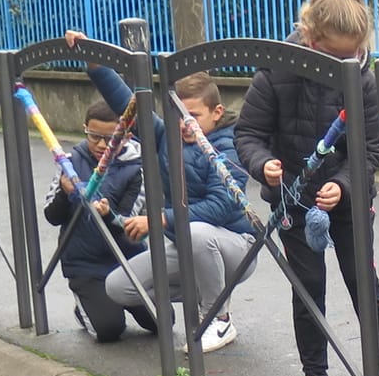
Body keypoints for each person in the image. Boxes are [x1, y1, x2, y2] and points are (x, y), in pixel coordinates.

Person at [234, 0, 379, 376]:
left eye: (352, 55)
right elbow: (247, 134)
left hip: (345, 201)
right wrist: (264, 163)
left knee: (364, 284)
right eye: (335, 56)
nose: (344, 64)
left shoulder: (363, 79)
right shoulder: (275, 70)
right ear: (311, 39)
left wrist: (344, 185)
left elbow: (370, 149)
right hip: (292, 197)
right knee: (308, 291)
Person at [62, 34, 256, 354]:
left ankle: (217, 317)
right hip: (187, 244)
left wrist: (158, 220)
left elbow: (222, 205)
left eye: (194, 115)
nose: (184, 124)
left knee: (194, 231)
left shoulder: (228, 145)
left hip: (234, 247)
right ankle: (208, 290)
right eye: (178, 114)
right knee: (119, 287)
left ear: (217, 112)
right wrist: (95, 63)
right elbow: (128, 104)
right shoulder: (165, 136)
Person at [41, 100, 154, 343]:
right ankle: (87, 308)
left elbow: (131, 222)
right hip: (86, 265)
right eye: (94, 137)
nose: (102, 145)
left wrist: (107, 213)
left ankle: (118, 302)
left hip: (127, 259)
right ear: (85, 130)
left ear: (127, 136)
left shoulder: (139, 167)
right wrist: (64, 192)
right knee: (109, 330)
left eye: (111, 139)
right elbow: (51, 216)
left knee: (160, 322)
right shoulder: (69, 162)